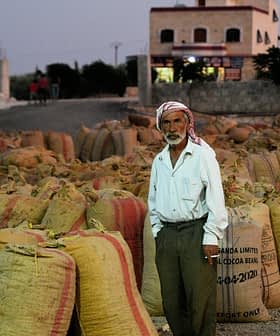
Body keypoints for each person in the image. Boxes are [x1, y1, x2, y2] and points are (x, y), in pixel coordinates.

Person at [148, 101, 228, 336]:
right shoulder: (159, 161)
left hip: (197, 233)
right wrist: (157, 231)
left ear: (187, 123)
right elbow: (152, 200)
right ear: (160, 127)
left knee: (199, 298)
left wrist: (211, 236)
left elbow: (216, 197)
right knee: (171, 301)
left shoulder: (202, 155)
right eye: (166, 122)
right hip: (167, 236)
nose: (172, 128)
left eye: (177, 121)